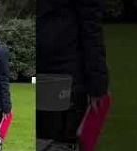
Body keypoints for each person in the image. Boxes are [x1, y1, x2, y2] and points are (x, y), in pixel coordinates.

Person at [36, 0, 109, 142]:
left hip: (63, 76)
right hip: (61, 75)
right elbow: (91, 31)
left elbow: (91, 31)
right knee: (55, 147)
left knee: (53, 146)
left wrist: (97, 85)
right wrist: (98, 86)